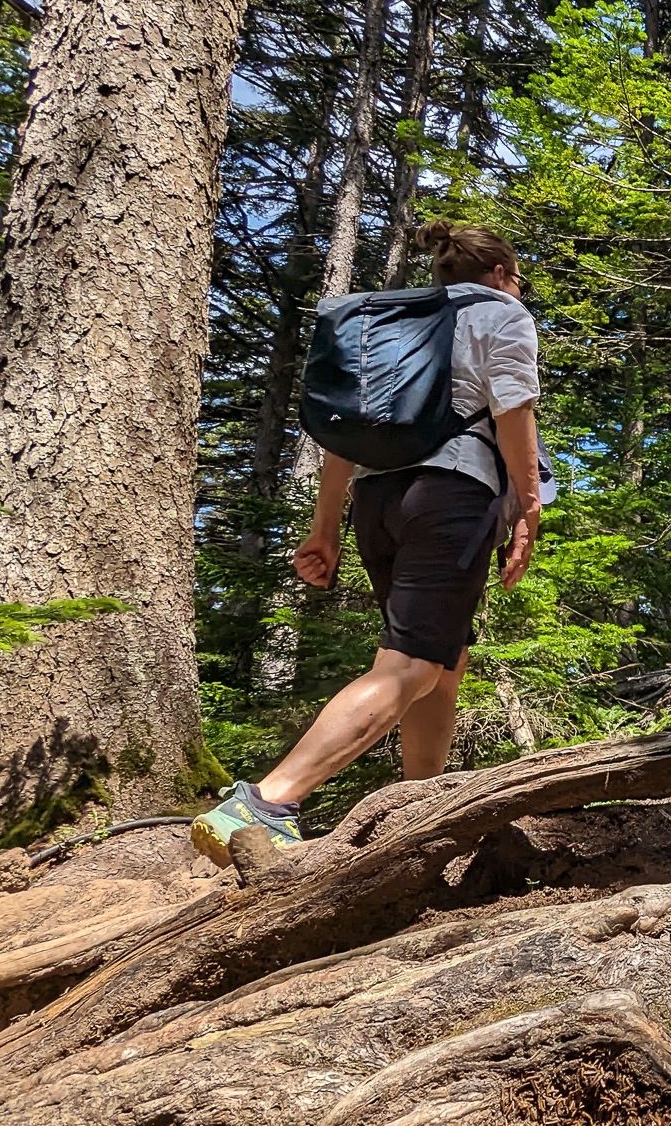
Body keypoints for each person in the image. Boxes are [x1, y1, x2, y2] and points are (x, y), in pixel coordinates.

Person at [191, 221, 543, 867]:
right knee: (408, 666)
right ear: (499, 274)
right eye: (518, 281)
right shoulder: (501, 313)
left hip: (379, 502)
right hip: (451, 494)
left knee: (440, 664)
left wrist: (325, 528)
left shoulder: (398, 326)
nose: (518, 291)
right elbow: (513, 410)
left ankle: (421, 807)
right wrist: (528, 507)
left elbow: (345, 437)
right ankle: (266, 802)